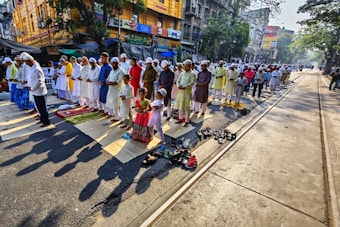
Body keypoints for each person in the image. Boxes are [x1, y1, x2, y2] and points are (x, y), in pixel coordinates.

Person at [23, 54, 50, 127]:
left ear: (30, 61)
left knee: (43, 108)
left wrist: (32, 88)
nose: (26, 64)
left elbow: (39, 82)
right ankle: (42, 119)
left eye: (26, 62)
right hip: (35, 91)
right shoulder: (32, 67)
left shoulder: (37, 69)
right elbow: (32, 79)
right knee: (39, 107)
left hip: (40, 91)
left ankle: (46, 121)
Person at [174, 59, 196, 127]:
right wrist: (178, 86)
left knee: (186, 107)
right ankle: (180, 118)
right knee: (180, 106)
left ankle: (187, 121)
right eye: (185, 66)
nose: (185, 67)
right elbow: (178, 81)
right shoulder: (182, 73)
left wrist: (184, 87)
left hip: (187, 92)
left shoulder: (193, 74)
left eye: (187, 66)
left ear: (190, 66)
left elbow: (192, 83)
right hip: (180, 92)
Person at [98, 52, 112, 116]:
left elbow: (109, 77)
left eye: (103, 58)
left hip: (107, 86)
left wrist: (103, 82)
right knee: (102, 98)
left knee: (107, 99)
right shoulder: (102, 67)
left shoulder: (109, 67)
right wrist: (99, 81)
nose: (102, 60)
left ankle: (109, 113)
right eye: (101, 58)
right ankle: (105, 111)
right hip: (102, 85)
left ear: (107, 58)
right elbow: (100, 75)